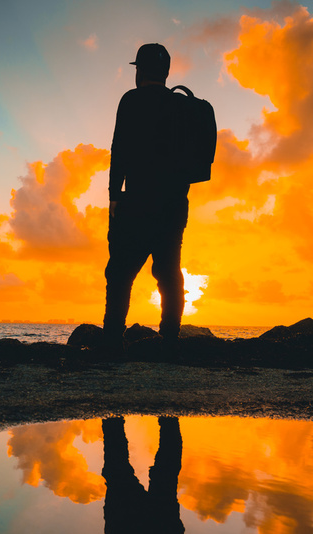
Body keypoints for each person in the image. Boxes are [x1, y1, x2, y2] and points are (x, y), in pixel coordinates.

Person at [103, 43, 190, 354]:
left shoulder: (131, 101)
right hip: (174, 203)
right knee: (169, 271)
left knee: (120, 272)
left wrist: (114, 195)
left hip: (137, 201)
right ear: (166, 73)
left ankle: (112, 338)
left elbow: (119, 149)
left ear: (139, 71)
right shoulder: (181, 106)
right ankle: (170, 338)